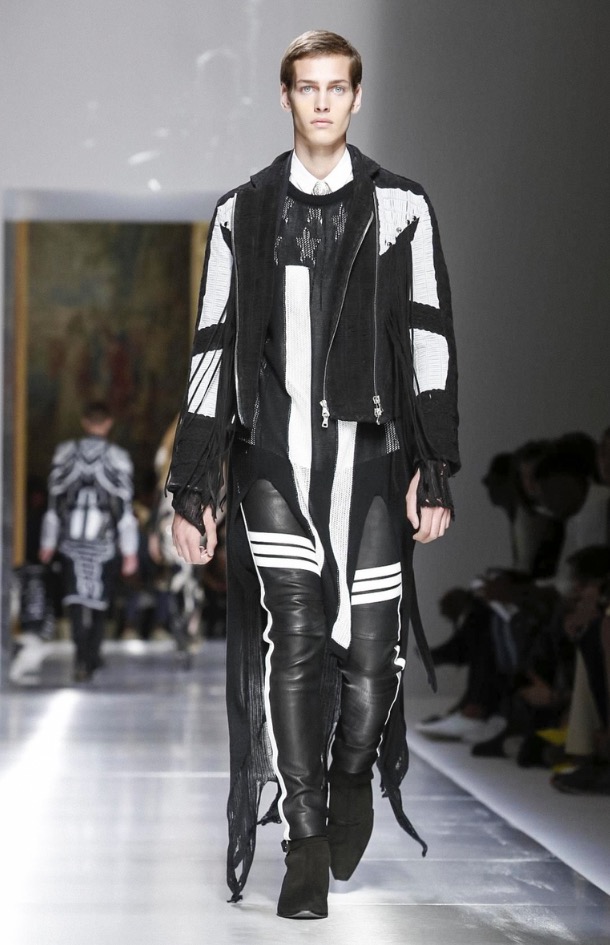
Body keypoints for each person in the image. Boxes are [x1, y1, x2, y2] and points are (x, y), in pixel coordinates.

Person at [169, 30, 459, 919]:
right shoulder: (242, 212)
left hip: (373, 458)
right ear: (286, 97)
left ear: (357, 98)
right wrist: (192, 486)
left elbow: (428, 334)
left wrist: (434, 466)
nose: (324, 101)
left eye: (338, 87)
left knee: (372, 657)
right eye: (308, 87)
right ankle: (301, 837)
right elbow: (214, 344)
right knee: (293, 638)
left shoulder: (401, 206)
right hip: (272, 460)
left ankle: (352, 773)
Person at [39, 401, 138, 681]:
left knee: (75, 599)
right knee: (98, 601)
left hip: (71, 540)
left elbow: (54, 503)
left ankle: (83, 657)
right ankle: (90, 655)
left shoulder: (65, 454)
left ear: (84, 421)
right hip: (103, 542)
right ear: (108, 423)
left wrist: (48, 542)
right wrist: (129, 550)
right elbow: (124, 509)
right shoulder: (118, 457)